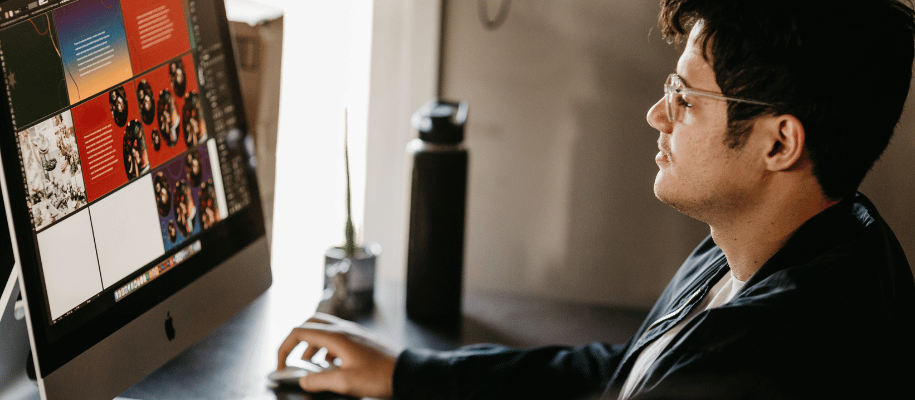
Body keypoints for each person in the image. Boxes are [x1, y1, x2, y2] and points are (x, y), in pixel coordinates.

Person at [277, 0, 915, 398]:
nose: (655, 115)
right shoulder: (785, 243)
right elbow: (628, 372)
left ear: (780, 144)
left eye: (686, 100)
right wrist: (409, 375)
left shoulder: (769, 363)